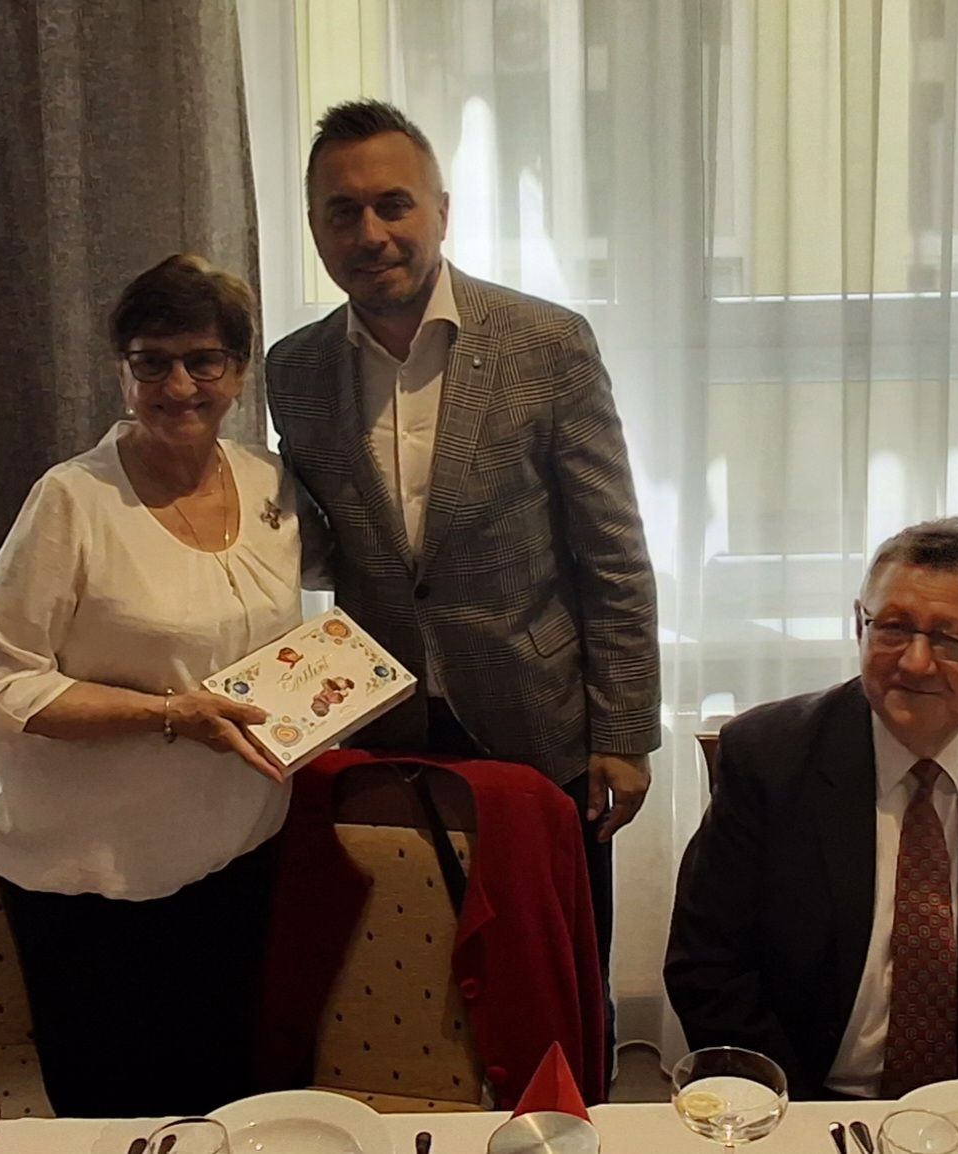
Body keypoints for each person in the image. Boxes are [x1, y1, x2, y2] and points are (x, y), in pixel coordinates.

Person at [265, 99, 661, 1032]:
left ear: (441, 210)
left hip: (540, 721)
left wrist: (625, 731)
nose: (371, 233)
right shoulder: (295, 370)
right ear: (316, 229)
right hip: (384, 724)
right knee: (410, 977)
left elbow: (611, 550)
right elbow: (312, 537)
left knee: (557, 975)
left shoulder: (546, 344)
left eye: (393, 204)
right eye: (343, 212)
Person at [0, 255, 302, 1117]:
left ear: (239, 371)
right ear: (123, 372)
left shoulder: (268, 483)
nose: (178, 386)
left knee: (219, 1099)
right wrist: (169, 714)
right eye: (152, 362)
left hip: (236, 849)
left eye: (203, 361)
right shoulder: (71, 501)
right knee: (112, 1114)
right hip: (91, 874)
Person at [665, 518, 958, 1100]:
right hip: (800, 1100)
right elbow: (706, 967)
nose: (916, 662)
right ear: (860, 626)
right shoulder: (769, 759)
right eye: (894, 629)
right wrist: (796, 1114)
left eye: (949, 639)